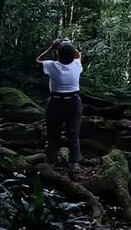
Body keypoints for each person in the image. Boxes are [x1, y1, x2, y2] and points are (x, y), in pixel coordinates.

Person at [36, 38, 83, 178]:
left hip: (56, 103)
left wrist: (52, 47)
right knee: (73, 134)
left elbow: (38, 60)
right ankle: (74, 164)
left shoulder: (52, 66)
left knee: (52, 135)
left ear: (58, 54)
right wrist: (69, 46)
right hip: (74, 102)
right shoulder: (76, 65)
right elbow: (78, 55)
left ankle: (51, 162)